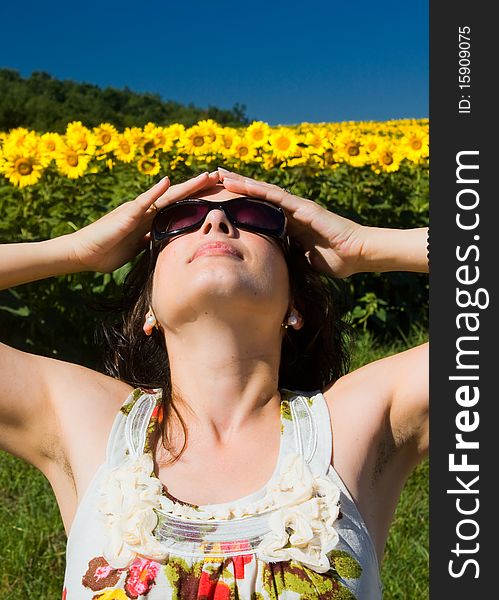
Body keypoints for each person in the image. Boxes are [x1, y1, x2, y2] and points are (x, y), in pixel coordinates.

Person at [0, 168, 428, 599]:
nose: (216, 223)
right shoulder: (85, 420)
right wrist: (75, 250)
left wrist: (365, 246)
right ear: (148, 307)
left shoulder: (354, 424)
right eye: (179, 220)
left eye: (255, 217)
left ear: (295, 305)